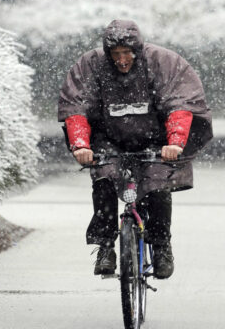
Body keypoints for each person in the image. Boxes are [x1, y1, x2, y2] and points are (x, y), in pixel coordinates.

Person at [58, 19, 212, 279]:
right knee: (104, 179)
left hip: (156, 140)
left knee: (158, 186)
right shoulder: (91, 67)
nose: (121, 60)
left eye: (126, 53)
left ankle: (162, 245)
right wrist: (81, 145)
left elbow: (179, 105)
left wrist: (174, 142)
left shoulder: (162, 64)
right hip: (109, 140)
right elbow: (76, 108)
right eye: (115, 55)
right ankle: (106, 246)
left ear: (137, 51)